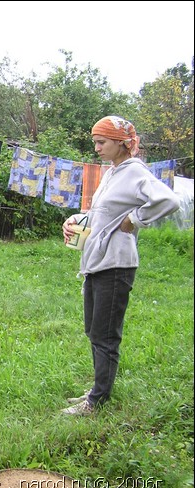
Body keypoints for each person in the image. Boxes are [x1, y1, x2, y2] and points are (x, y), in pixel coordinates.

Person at [60, 116, 180, 415]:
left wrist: (134, 219)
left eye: (102, 142)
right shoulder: (113, 173)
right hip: (97, 261)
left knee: (105, 334)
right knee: (93, 330)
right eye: (96, 142)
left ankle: (97, 401)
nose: (97, 148)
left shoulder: (135, 172)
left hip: (116, 265)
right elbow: (103, 213)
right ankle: (96, 390)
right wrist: (77, 220)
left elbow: (169, 200)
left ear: (122, 143)